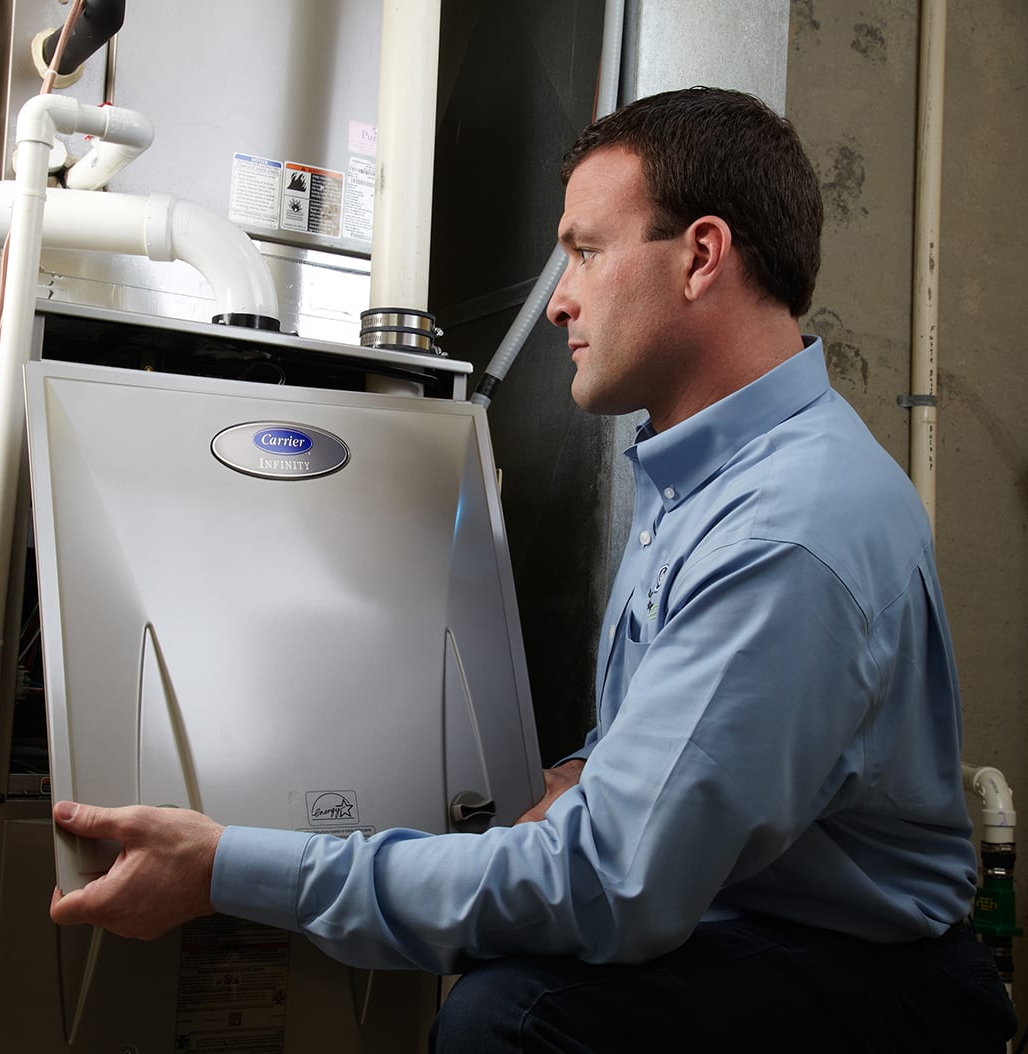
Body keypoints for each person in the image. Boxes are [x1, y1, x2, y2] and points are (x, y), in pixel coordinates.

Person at [50, 87, 1017, 1051]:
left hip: (871, 984)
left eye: (587, 252)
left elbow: (603, 883)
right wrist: (589, 770)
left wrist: (226, 868)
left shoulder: (785, 530)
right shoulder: (709, 470)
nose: (559, 299)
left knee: (509, 1020)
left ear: (701, 257)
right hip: (757, 927)